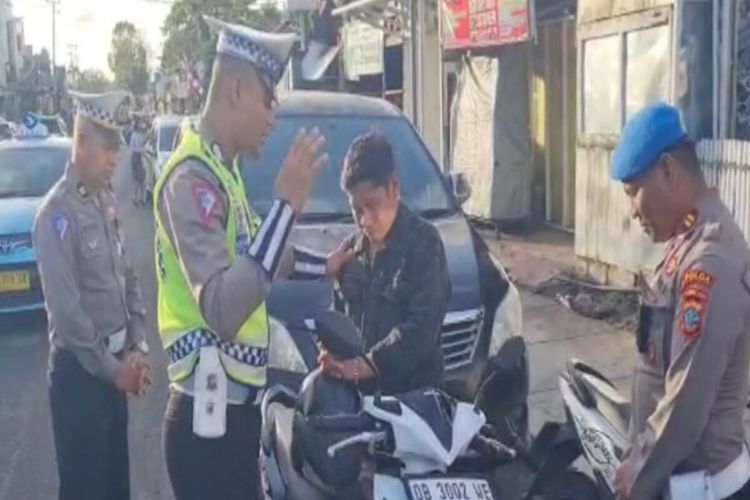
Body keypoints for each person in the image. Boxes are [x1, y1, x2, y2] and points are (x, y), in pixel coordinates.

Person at [153, 17, 351, 500]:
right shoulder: (191, 179)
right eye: (269, 98)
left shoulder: (225, 174)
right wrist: (286, 204)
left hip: (232, 416)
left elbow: (266, 257)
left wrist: (325, 265)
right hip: (206, 427)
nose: (273, 115)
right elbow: (222, 307)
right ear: (237, 90)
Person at [610, 102, 750, 500]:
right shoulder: (686, 243)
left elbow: (687, 404)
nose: (632, 211)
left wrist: (638, 473)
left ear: (668, 171)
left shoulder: (709, 261)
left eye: (633, 192)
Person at [32, 90, 152, 500]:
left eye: (117, 150)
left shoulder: (106, 203)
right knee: (85, 489)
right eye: (106, 149)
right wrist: (113, 369)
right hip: (81, 378)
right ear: (80, 144)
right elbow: (67, 315)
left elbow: (128, 278)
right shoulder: (55, 215)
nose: (114, 160)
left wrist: (137, 347)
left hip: (114, 370)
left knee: (116, 485)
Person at [318, 131, 452, 395]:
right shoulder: (350, 252)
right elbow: (338, 323)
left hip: (412, 401)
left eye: (372, 205)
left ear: (394, 187)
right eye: (356, 210)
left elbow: (421, 330)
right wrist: (329, 354)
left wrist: (365, 366)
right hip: (360, 402)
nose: (365, 220)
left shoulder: (424, 244)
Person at [129, 118, 147, 206]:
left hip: (135, 157)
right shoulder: (136, 136)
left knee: (139, 180)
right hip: (137, 157)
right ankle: (138, 198)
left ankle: (138, 198)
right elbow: (139, 148)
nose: (142, 125)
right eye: (140, 124)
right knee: (140, 180)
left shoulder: (135, 135)